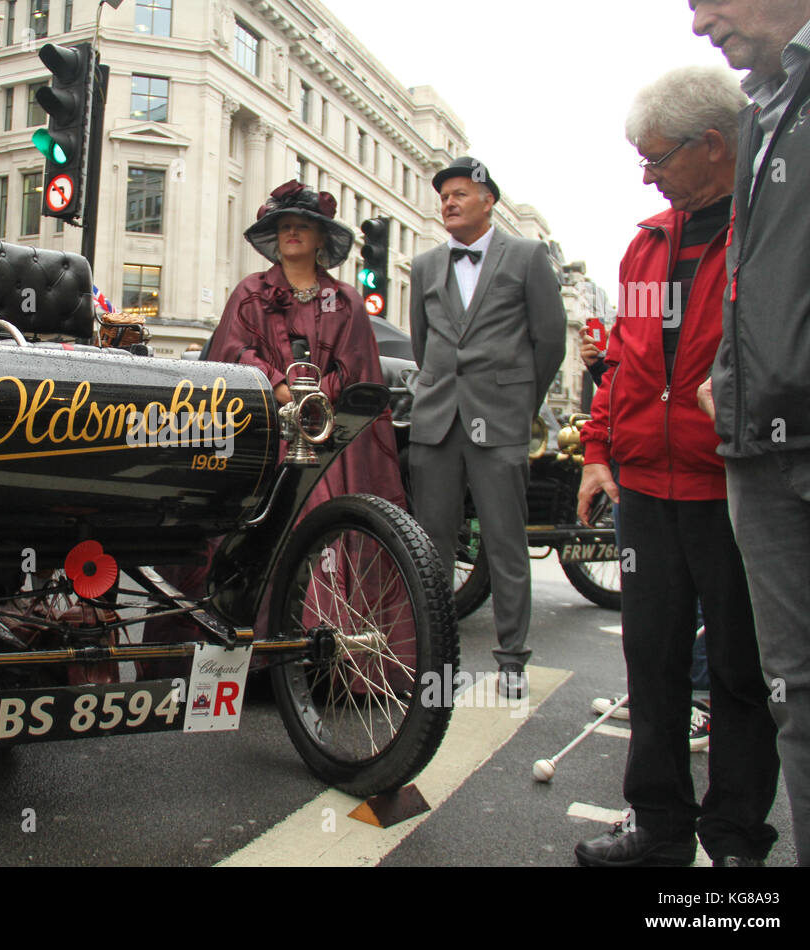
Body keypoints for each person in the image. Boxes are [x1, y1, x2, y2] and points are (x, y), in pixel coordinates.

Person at [573, 66, 779, 867]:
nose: (648, 173)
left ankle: (733, 844)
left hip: (731, 487)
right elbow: (624, 362)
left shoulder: (766, 232)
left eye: (657, 158)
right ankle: (658, 830)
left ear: (714, 146)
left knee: (738, 675)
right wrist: (596, 453)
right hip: (646, 496)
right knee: (652, 666)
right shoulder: (645, 246)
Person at [691, 0, 810, 867]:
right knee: (802, 695)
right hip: (759, 442)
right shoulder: (760, 108)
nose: (701, 23)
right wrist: (729, 378)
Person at [407, 157, 566, 698]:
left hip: (499, 422)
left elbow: (550, 341)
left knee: (504, 542)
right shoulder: (426, 265)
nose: (448, 202)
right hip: (436, 422)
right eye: (443, 195)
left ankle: (512, 662)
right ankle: (435, 662)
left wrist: (520, 404)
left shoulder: (526, 256)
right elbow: (422, 343)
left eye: (459, 193)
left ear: (488, 199)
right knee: (431, 547)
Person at [206, 179, 406, 512]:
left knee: (321, 506)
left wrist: (314, 402)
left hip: (329, 437)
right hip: (260, 429)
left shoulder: (346, 302)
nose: (292, 232)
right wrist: (280, 388)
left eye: (302, 226)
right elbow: (233, 352)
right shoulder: (249, 293)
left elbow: (355, 365)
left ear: (320, 237)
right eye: (285, 226)